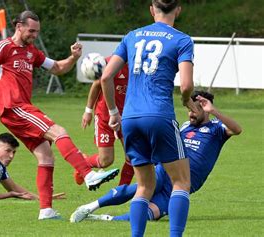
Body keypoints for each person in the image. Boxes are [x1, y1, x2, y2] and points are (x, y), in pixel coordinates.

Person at [0, 10, 119, 220]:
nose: (34, 35)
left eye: (37, 31)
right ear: (19, 26)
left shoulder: (32, 52)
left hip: (21, 108)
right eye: (31, 30)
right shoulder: (2, 48)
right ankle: (89, 175)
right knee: (58, 131)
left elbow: (58, 67)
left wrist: (73, 57)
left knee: (45, 155)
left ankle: (46, 210)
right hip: (13, 107)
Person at [99, 1, 199, 236]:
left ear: (152, 9)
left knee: (144, 186)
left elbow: (106, 77)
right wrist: (187, 101)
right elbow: (186, 84)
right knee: (182, 182)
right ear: (178, 9)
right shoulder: (182, 40)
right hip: (160, 116)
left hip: (131, 118)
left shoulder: (132, 36)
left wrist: (114, 113)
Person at [70, 91, 242, 224]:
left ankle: (104, 219)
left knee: (150, 215)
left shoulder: (217, 128)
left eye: (195, 110)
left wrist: (213, 110)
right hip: (168, 171)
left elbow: (237, 129)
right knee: (138, 188)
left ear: (206, 110)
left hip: (184, 184)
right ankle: (89, 207)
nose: (191, 114)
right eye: (189, 110)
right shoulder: (184, 126)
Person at [77, 56, 134, 186]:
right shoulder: (109, 63)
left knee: (132, 156)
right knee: (106, 161)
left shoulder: (138, 67)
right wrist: (88, 111)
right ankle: (82, 164)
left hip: (126, 117)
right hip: (104, 117)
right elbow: (96, 85)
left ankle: (120, 191)